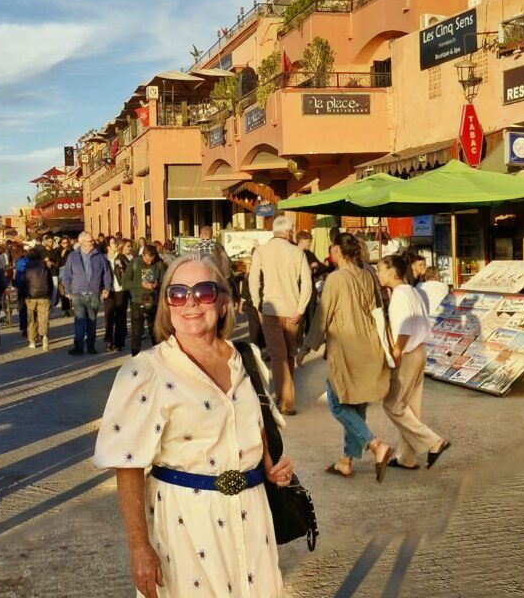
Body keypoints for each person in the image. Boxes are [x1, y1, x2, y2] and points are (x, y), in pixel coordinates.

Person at [93, 254, 294, 598]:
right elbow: (128, 465)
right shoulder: (147, 371)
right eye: (177, 293)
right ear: (166, 306)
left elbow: (255, 427)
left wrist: (271, 467)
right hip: (186, 522)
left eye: (202, 292)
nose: (190, 303)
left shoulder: (246, 358)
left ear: (224, 301)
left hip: (252, 513)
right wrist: (139, 548)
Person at [299, 234, 393, 481]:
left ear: (339, 252)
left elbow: (323, 315)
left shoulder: (336, 278)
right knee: (356, 403)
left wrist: (306, 347)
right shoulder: (368, 274)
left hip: (347, 346)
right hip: (370, 344)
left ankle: (375, 445)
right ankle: (346, 461)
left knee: (338, 402)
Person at [377, 254, 451, 471]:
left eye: (380, 269)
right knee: (410, 406)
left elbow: (405, 328)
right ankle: (406, 458)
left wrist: (397, 352)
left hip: (408, 353)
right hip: (420, 351)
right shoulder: (412, 291)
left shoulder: (399, 295)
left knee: (393, 405)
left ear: (391, 272)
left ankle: (433, 441)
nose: (378, 273)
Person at [248, 216, 312, 416]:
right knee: (289, 354)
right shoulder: (297, 252)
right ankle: (286, 399)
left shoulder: (261, 251)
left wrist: (257, 303)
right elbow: (307, 284)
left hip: (270, 310)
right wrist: (301, 310)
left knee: (278, 355)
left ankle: (285, 400)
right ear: (289, 232)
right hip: (292, 310)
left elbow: (253, 280)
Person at [60, 231, 112, 355]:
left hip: (94, 293)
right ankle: (78, 346)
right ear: (82, 242)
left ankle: (91, 346)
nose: (93, 242)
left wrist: (107, 288)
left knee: (92, 321)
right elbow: (66, 275)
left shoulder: (99, 256)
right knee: (79, 320)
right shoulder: (73, 256)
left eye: (93, 240)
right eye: (90, 241)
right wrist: (67, 290)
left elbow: (107, 273)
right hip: (78, 293)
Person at [123, 245, 166, 356]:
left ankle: (157, 358)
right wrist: (140, 284)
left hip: (154, 302)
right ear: (143, 255)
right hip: (137, 302)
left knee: (155, 333)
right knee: (136, 333)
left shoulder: (159, 264)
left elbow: (165, 283)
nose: (149, 263)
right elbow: (125, 283)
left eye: (151, 261)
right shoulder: (135, 263)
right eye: (147, 260)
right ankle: (135, 357)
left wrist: (158, 285)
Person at [18, 247, 53, 351]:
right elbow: (50, 282)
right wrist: (50, 294)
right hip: (44, 296)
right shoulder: (44, 266)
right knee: (44, 317)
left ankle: (32, 341)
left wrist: (22, 296)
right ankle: (44, 336)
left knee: (31, 318)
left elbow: (23, 283)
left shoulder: (26, 267)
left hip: (30, 296)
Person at [104, 237, 130, 353]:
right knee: (109, 317)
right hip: (109, 291)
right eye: (113, 243)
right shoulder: (103, 259)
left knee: (120, 317)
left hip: (121, 290)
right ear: (108, 247)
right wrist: (101, 289)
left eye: (116, 242)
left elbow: (130, 271)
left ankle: (119, 342)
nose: (116, 245)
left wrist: (122, 266)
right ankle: (109, 341)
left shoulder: (121, 257)